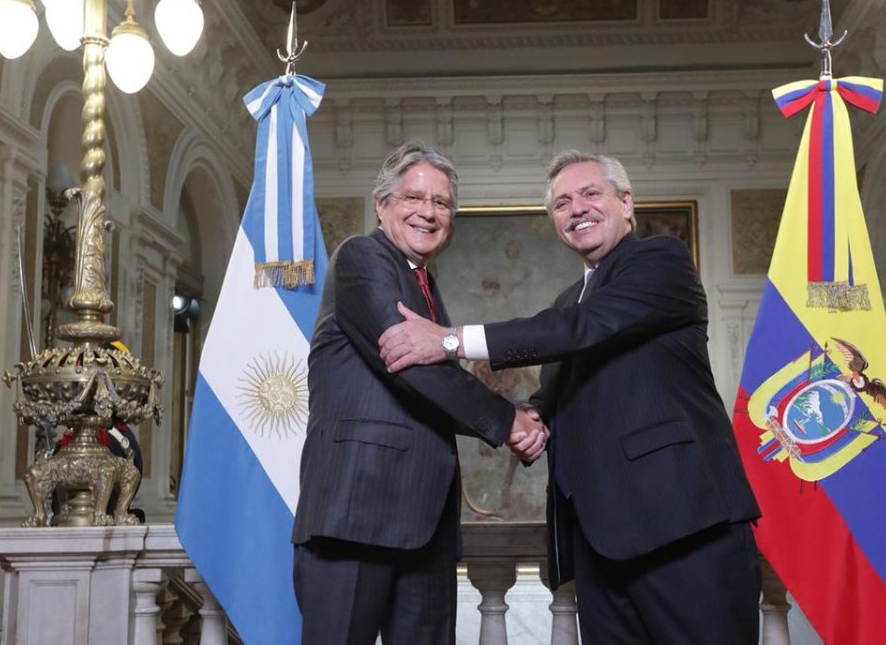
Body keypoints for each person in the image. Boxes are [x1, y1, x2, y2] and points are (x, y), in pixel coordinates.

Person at [378, 149, 762, 644]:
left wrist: (449, 340)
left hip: (685, 533)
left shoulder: (661, 262)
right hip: (601, 547)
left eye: (590, 194)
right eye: (561, 203)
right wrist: (523, 420)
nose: (576, 208)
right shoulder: (566, 300)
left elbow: (579, 329)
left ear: (627, 203)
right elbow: (555, 397)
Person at [291, 141, 547, 645]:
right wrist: (508, 421)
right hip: (355, 517)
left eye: (442, 203)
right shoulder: (362, 257)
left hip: (425, 524)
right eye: (414, 198)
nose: (428, 212)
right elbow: (408, 366)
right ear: (383, 205)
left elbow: (435, 385)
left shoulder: (425, 283)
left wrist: (516, 414)